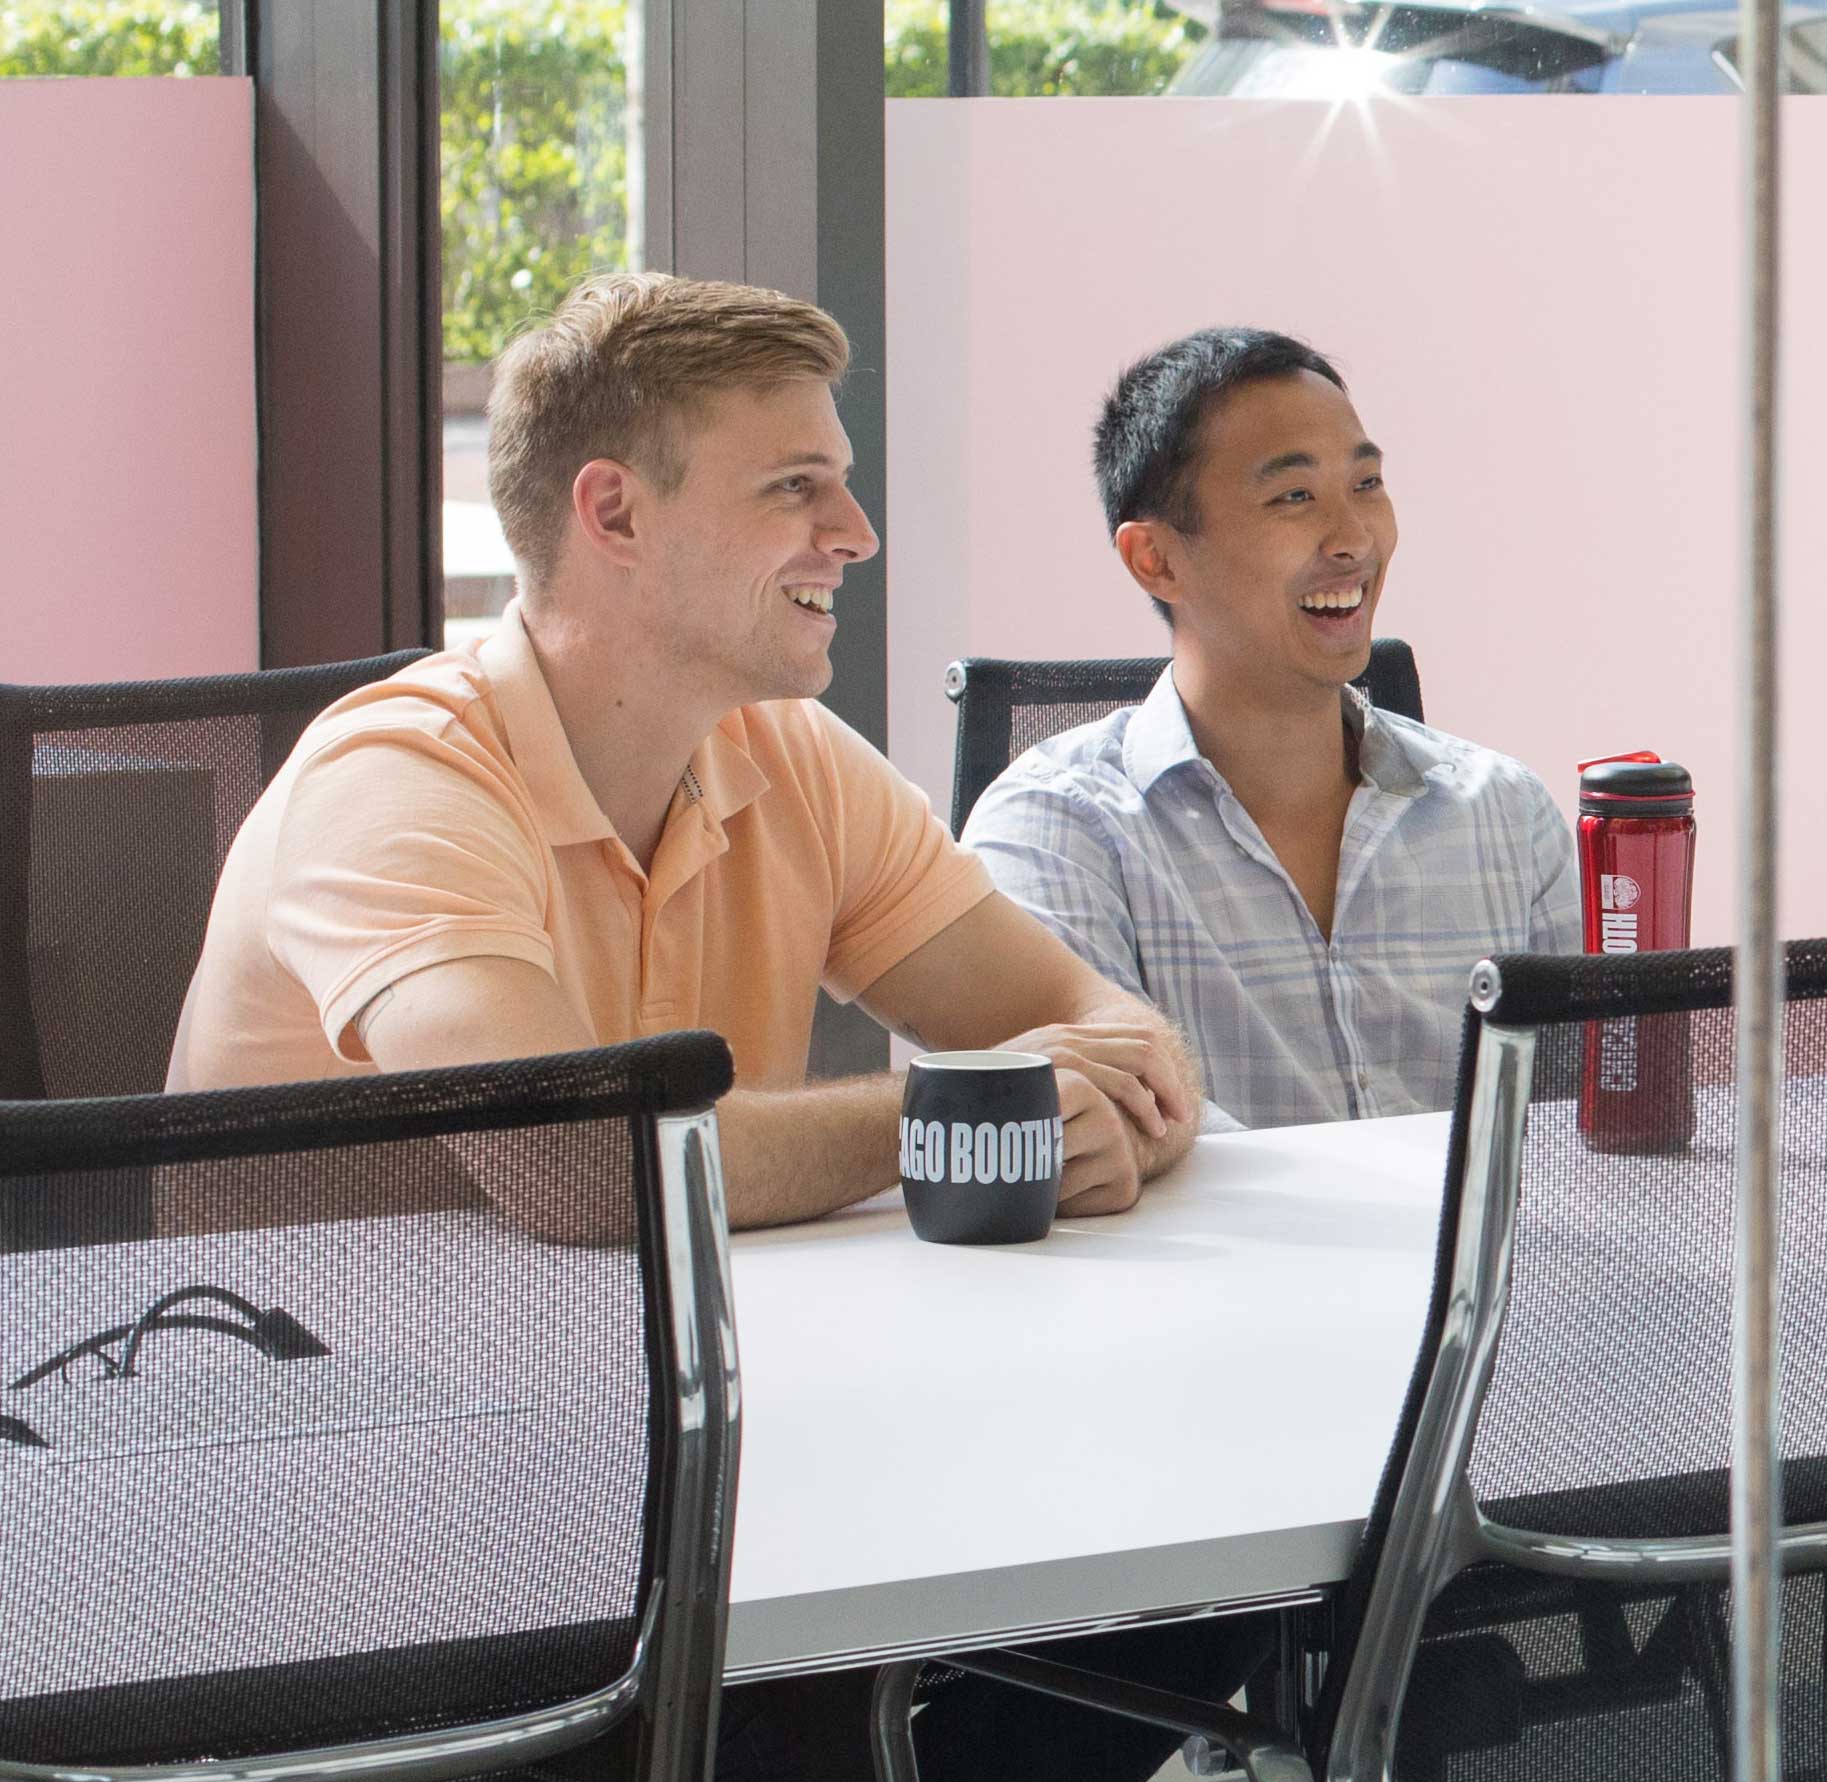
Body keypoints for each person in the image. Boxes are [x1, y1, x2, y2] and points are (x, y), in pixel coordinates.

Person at [173, 269, 1198, 1222]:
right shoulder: (396, 781)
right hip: (312, 1389)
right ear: (614, 511)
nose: (855, 533)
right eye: (794, 486)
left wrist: (1118, 1121)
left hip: (665, 1355)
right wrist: (971, 1117)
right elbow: (577, 1164)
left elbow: (1108, 1029)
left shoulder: (789, 755)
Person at [965, 328, 1577, 1129]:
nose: (1353, 538)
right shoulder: (1056, 831)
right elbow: (1089, 1134)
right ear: (1156, 559)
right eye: (1294, 497)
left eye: (1366, 483)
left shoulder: (1504, 815)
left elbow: (1588, 1135)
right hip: (1206, 1259)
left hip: (1471, 1258)